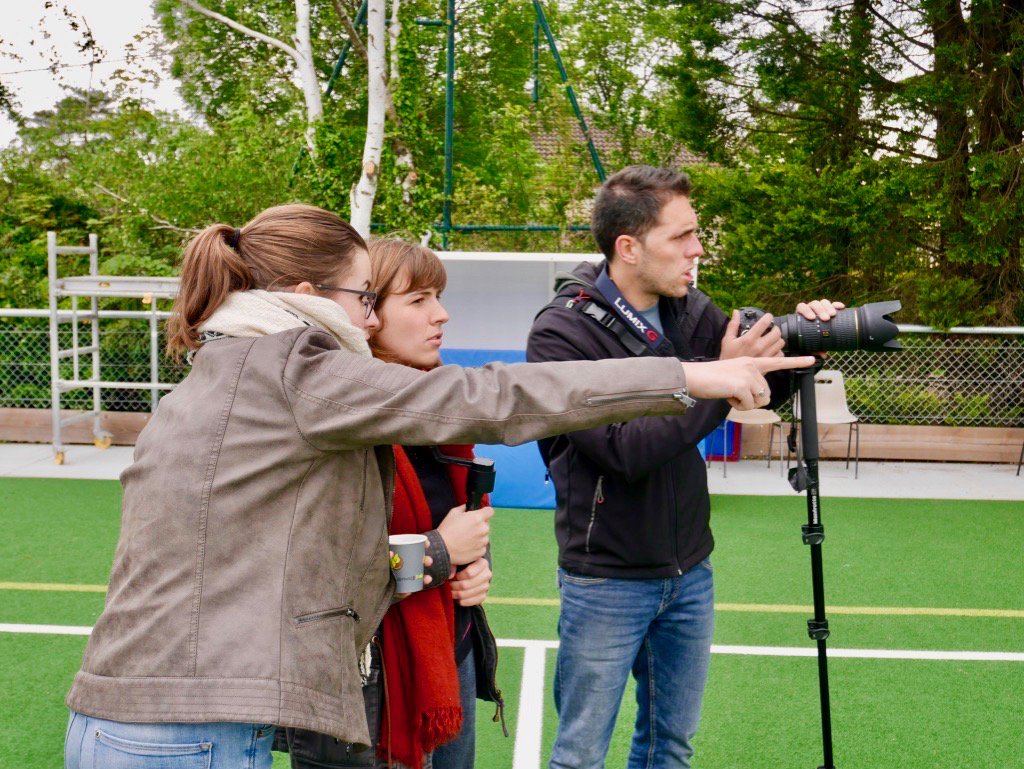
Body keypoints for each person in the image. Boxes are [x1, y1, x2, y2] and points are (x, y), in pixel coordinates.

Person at [63, 203, 812, 769]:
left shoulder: (225, 369)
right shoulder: (296, 367)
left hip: (145, 712)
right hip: (186, 728)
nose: (371, 317)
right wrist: (692, 378)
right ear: (306, 295)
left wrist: (436, 558)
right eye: (368, 297)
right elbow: (495, 395)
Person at [526, 165, 843, 769]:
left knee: (670, 747)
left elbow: (755, 388)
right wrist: (720, 384)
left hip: (690, 571)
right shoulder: (561, 334)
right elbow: (624, 451)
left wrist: (806, 345)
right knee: (580, 754)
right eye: (682, 236)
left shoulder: (687, 308)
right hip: (606, 580)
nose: (697, 249)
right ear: (628, 247)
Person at [280, 238, 501, 769]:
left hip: (448, 647)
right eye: (419, 299)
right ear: (368, 313)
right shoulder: (334, 419)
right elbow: (318, 570)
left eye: (438, 297)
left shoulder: (441, 404)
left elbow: (459, 521)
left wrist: (476, 567)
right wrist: (440, 552)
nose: (441, 314)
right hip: (368, 675)